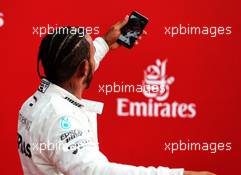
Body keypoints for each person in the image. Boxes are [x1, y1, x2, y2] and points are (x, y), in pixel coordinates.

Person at [17, 15, 216, 175]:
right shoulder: (61, 118)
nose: (95, 58)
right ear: (84, 69)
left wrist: (103, 43)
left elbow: (77, 63)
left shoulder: (36, 101)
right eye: (92, 54)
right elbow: (96, 171)